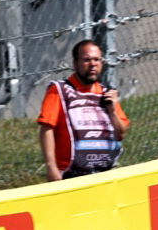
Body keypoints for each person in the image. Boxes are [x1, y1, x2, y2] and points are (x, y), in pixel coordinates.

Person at [37, 40, 128, 181]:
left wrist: (112, 111)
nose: (93, 64)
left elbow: (120, 134)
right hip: (70, 175)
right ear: (75, 63)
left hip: (105, 174)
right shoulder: (60, 90)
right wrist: (51, 167)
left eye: (97, 60)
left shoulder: (106, 94)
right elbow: (47, 129)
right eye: (87, 60)